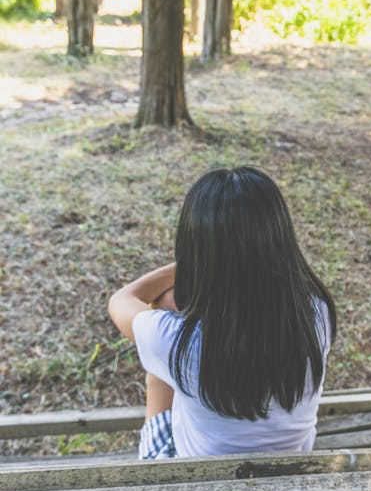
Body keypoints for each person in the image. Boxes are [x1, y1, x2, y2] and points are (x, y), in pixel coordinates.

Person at [108, 166, 336, 459]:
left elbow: (123, 299)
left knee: (162, 332)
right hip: (289, 467)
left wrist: (194, 264)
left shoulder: (177, 341)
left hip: (197, 484)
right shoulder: (317, 313)